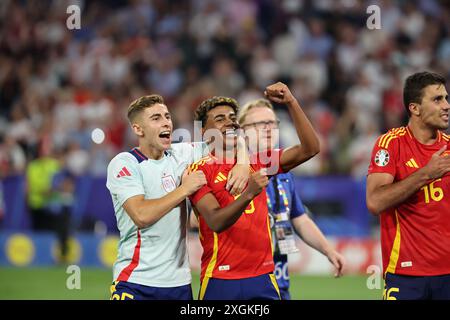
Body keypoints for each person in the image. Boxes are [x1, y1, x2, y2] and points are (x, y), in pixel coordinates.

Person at [106, 94, 248, 300]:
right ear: (138, 129)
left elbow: (228, 141)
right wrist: (184, 189)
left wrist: (243, 163)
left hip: (179, 284)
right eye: (156, 118)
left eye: (167, 117)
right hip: (136, 281)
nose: (166, 123)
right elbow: (141, 215)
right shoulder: (125, 163)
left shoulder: (180, 154)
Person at [189, 82, 320, 300]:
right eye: (219, 119)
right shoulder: (199, 170)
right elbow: (216, 222)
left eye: (232, 118)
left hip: (263, 278)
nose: (229, 122)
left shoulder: (261, 161)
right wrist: (249, 193)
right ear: (204, 131)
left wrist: (291, 102)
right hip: (221, 279)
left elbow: (311, 148)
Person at [238, 98, 345, 300]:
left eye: (272, 123)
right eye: (260, 124)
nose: (268, 128)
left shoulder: (284, 173)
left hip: (279, 280)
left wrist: (329, 250)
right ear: (243, 131)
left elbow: (300, 218)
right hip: (247, 280)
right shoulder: (236, 171)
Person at [366, 71, 450, 300]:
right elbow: (375, 202)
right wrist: (426, 174)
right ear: (415, 108)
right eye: (437, 99)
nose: (446, 105)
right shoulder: (390, 144)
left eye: (446, 98)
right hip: (406, 274)